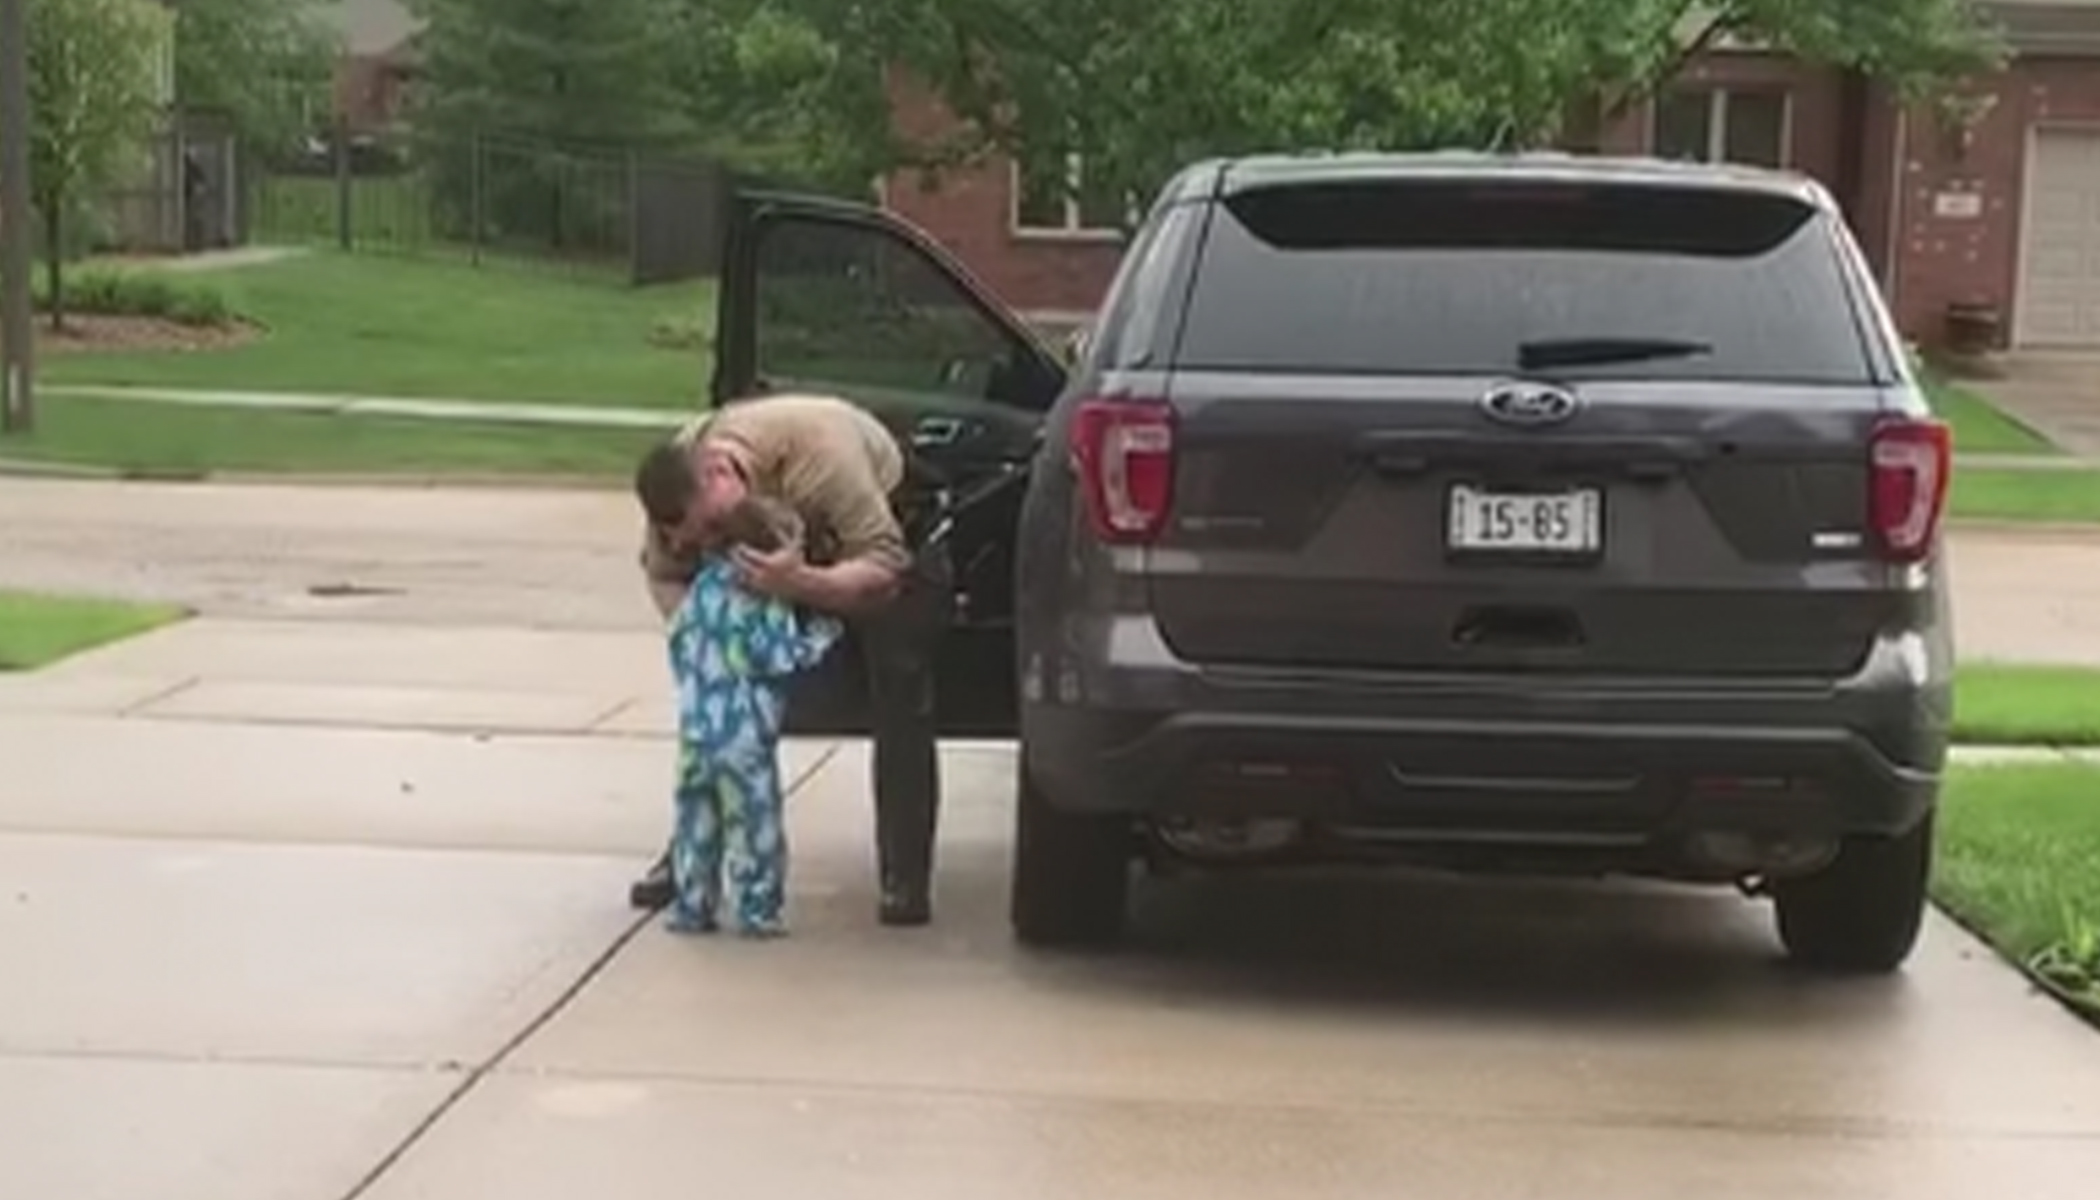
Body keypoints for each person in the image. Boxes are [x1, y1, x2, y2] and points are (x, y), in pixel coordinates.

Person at [629, 393, 952, 927]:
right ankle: (686, 860)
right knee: (715, 722)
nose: (710, 542)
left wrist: (799, 582)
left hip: (883, 544)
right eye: (698, 537)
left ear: (719, 472)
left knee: (900, 684)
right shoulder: (680, 468)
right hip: (777, 558)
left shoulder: (823, 455)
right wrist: (707, 639)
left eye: (713, 528)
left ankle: (905, 876)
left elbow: (884, 568)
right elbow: (664, 572)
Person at [636, 449, 843, 938]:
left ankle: (693, 903)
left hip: (696, 731)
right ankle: (756, 907)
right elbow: (779, 656)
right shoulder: (763, 601)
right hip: (742, 737)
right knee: (753, 825)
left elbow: (680, 638)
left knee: (696, 823)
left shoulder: (701, 593)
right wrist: (825, 631)